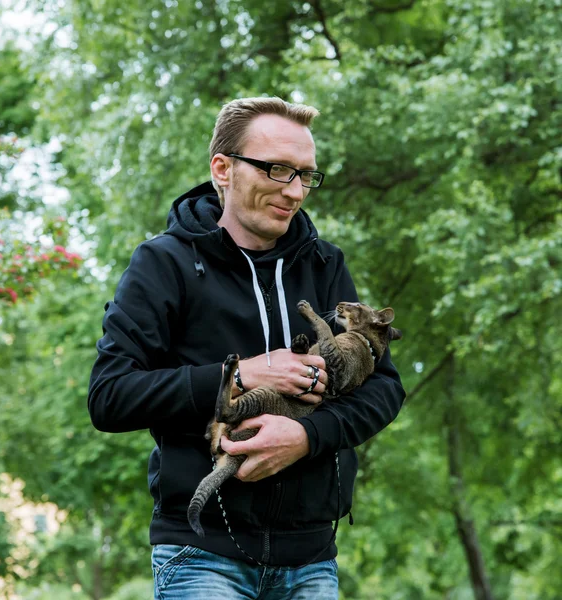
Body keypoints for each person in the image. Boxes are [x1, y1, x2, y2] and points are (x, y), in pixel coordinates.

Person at [88, 96, 406, 599]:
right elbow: (110, 396)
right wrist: (239, 376)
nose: (296, 191)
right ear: (223, 169)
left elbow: (385, 389)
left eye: (306, 175)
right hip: (200, 555)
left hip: (313, 559)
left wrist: (307, 436)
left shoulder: (325, 264)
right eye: (278, 170)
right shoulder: (162, 264)